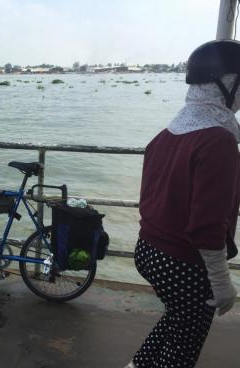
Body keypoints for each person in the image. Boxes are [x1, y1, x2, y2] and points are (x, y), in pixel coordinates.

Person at [126, 39, 240, 368]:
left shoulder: (167, 134)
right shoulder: (218, 139)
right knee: (182, 351)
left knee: (176, 321)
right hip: (184, 264)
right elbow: (206, 227)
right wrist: (222, 282)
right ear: (227, 85)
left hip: (147, 251)